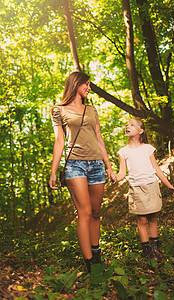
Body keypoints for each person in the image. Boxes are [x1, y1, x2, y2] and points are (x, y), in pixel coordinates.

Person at [49, 71, 117, 272]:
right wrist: (53, 171)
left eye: (89, 84)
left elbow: (99, 138)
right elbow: (59, 141)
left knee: (96, 213)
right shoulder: (58, 110)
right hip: (75, 165)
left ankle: (96, 253)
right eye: (86, 84)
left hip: (96, 164)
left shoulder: (92, 109)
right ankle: (91, 264)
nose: (89, 87)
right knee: (85, 212)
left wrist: (109, 166)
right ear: (75, 84)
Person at [113, 118, 174, 261]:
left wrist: (168, 184)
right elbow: (122, 172)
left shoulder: (148, 148)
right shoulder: (123, 151)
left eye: (132, 125)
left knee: (153, 218)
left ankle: (155, 250)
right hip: (136, 189)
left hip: (151, 185)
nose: (127, 126)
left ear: (141, 131)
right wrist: (116, 178)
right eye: (127, 125)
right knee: (142, 221)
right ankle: (147, 251)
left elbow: (156, 168)